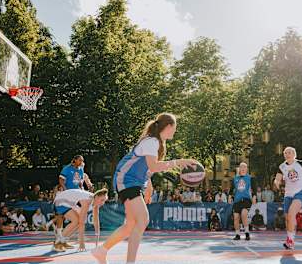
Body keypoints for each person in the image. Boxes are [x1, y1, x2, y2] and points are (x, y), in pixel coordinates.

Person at [91, 113, 198, 264]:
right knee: (143, 219)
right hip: (126, 180)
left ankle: (101, 251)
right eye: (175, 128)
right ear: (168, 127)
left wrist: (148, 186)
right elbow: (153, 165)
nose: (175, 131)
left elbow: (148, 168)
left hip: (133, 182)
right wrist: (178, 162)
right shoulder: (152, 141)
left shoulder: (157, 144)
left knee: (130, 226)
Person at [53, 188, 108, 252]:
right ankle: (57, 243)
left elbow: (96, 221)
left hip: (68, 203)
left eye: (104, 201)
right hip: (60, 201)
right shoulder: (87, 201)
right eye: (102, 200)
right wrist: (81, 243)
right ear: (96, 197)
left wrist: (97, 239)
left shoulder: (95, 204)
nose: (103, 203)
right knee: (76, 221)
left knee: (78, 222)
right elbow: (82, 223)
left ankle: (63, 241)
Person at [231, 162, 253, 241]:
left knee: (244, 214)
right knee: (236, 218)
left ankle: (247, 233)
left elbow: (254, 187)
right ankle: (237, 234)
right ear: (239, 169)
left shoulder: (250, 178)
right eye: (241, 167)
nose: (243, 169)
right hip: (237, 201)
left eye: (244, 167)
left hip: (246, 200)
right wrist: (230, 197)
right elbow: (231, 190)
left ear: (246, 169)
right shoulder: (235, 179)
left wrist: (254, 197)